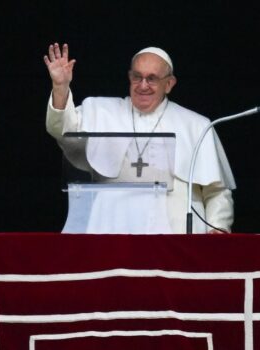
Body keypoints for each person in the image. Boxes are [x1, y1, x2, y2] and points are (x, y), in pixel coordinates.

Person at [44, 43, 235, 233]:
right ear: (129, 77)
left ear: (169, 84)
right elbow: (61, 129)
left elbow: (216, 191)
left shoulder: (196, 125)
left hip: (175, 232)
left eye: (152, 78)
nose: (143, 85)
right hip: (111, 226)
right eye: (137, 77)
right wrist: (60, 87)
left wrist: (217, 228)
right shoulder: (100, 110)